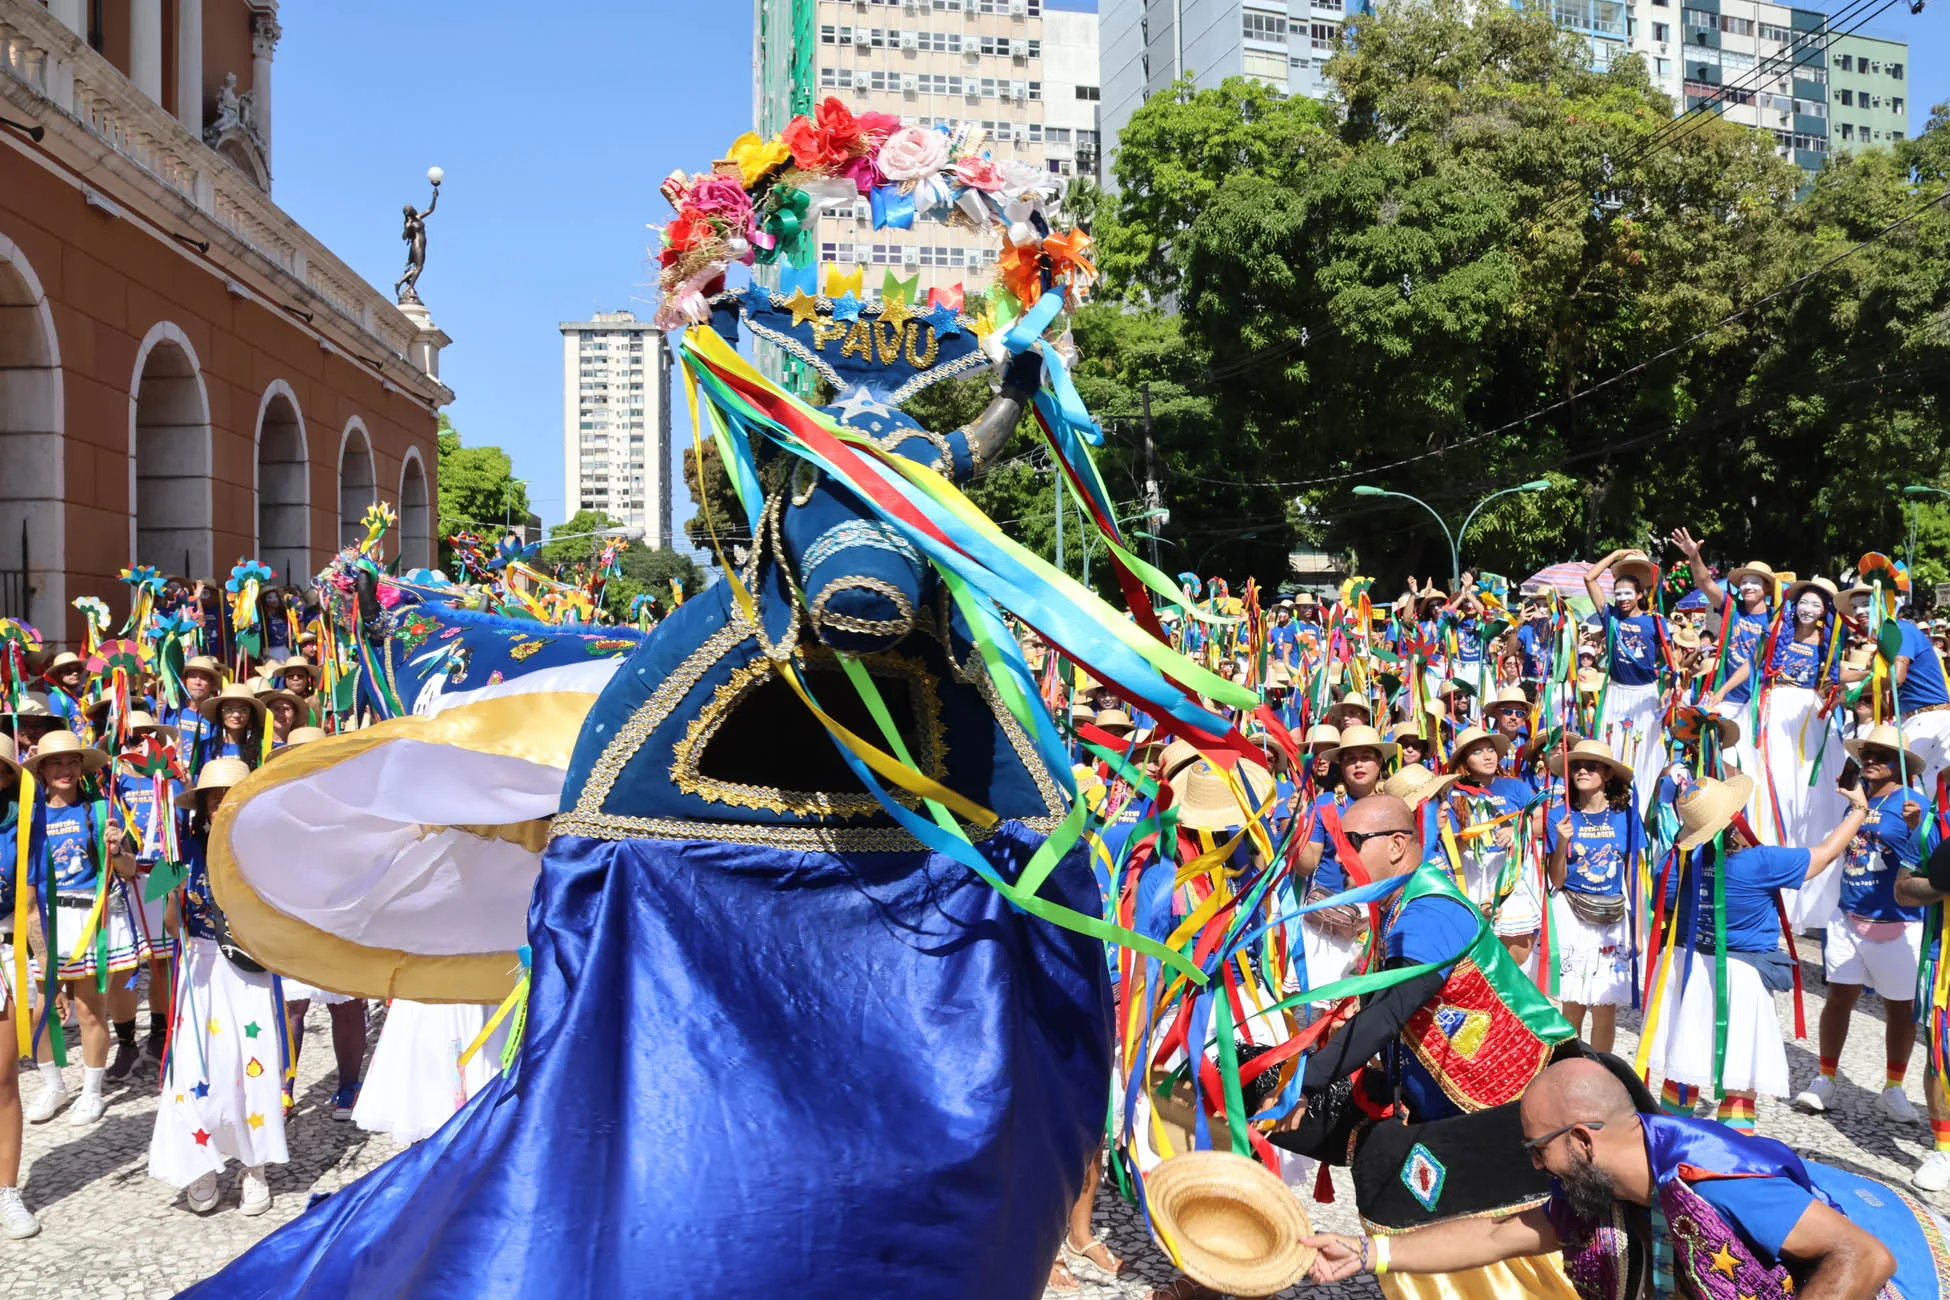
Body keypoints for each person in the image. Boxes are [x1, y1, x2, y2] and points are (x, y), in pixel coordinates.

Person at [1303, 1057, 1948, 1300]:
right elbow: (1500, 1237)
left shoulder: (1716, 1177)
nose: (1532, 1167)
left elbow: (1863, 1255)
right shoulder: (1600, 1186)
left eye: (1537, 1151)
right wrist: (1367, 1253)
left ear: (1581, 1139)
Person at [1271, 794, 1579, 1300]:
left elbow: (1389, 1013)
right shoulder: (1400, 903)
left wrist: (1301, 1082)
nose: (1337, 855)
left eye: (1351, 843)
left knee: (1506, 1229)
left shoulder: (1429, 911)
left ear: (1396, 845)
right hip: (1454, 1095)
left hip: (1510, 1097)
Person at [1642, 772, 1866, 1132]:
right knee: (1739, 1078)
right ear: (1734, 820)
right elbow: (1823, 856)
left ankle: (1670, 1149)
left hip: (1686, 970)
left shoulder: (1674, 861)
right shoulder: (1759, 862)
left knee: (1683, 1066)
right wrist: (1857, 809)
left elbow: (1664, 908)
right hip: (1739, 977)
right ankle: (1734, 1164)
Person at [148, 758, 285, 1216]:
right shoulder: (180, 848)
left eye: (230, 794)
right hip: (200, 969)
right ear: (203, 805)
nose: (220, 802)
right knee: (193, 1070)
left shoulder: (266, 849)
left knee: (252, 1065)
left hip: (248, 970)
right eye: (213, 795)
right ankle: (199, 1163)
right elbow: (171, 926)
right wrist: (161, 879)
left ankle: (254, 1167)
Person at [1792, 724, 1926, 1126]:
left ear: (1901, 765)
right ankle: (1826, 1078)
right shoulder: (1859, 798)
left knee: (1900, 1011)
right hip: (1849, 917)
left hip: (1898, 923)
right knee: (1838, 999)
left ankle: (1893, 1088)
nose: (1870, 759)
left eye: (1882, 755)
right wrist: (1856, 808)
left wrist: (1920, 826)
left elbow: (1933, 856)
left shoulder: (1914, 804)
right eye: (1866, 752)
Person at [20, 730, 132, 1126]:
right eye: (56, 762)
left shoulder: (101, 809)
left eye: (72, 762)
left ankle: (91, 1091)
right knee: (40, 1011)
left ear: (82, 767)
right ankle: (53, 1084)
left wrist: (117, 851)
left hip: (90, 917)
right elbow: (26, 884)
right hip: (45, 919)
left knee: (88, 1010)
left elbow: (129, 871)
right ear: (42, 769)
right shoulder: (28, 812)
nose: (64, 770)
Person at [1711, 577, 1847, 861]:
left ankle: (1805, 846)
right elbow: (1753, 663)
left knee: (1805, 780)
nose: (1808, 609)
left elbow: (1837, 675)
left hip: (1808, 716)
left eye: (1816, 604)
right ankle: (1766, 840)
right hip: (1773, 710)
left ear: (1825, 611)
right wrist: (1721, 690)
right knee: (1768, 774)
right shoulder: (1776, 630)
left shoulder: (1827, 640)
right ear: (1795, 605)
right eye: (1804, 602)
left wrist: (1870, 676)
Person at [1543, 740, 1643, 1055]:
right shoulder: (1558, 815)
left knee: (1605, 1006)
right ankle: (1569, 1069)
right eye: (1576, 766)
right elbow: (1556, 879)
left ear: (1608, 774)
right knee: (1573, 1005)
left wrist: (1639, 926)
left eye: (1592, 766)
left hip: (1612, 917)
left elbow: (1633, 874)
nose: (1582, 770)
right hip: (1573, 913)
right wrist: (1561, 842)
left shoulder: (1625, 816)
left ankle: (1603, 1071)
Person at [1296, 725, 1395, 987]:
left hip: (1380, 915)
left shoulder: (1396, 804)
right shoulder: (1325, 804)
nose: (1358, 764)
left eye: (1366, 757)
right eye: (1350, 758)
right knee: (1326, 1007)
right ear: (1340, 764)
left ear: (1380, 761)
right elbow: (1306, 866)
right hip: (1330, 920)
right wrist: (1294, 829)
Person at [1438, 726, 1541, 968]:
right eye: (1477, 752)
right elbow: (1450, 838)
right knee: (1477, 946)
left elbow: (1541, 821)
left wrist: (1516, 830)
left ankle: (1511, 995)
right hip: (1473, 873)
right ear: (1464, 760)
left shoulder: (1515, 786)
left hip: (1511, 871)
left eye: (1490, 750)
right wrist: (1476, 836)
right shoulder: (1453, 794)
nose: (1487, 756)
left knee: (1518, 947)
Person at [1582, 550, 1668, 807]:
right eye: (1617, 594)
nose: (1622, 599)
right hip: (1616, 693)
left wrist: (1666, 690)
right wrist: (1618, 555)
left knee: (1645, 754)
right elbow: (1590, 578)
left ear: (1640, 594)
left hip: (1645, 696)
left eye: (1628, 593)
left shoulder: (1655, 623)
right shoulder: (1610, 617)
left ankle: (1642, 810)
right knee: (1613, 751)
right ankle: (1613, 805)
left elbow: (1670, 663)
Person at [0, 737, 40, 1238]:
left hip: (4, 949)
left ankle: (7, 1192)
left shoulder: (22, 827)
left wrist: (46, 972)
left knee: (4, 1079)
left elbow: (31, 905)